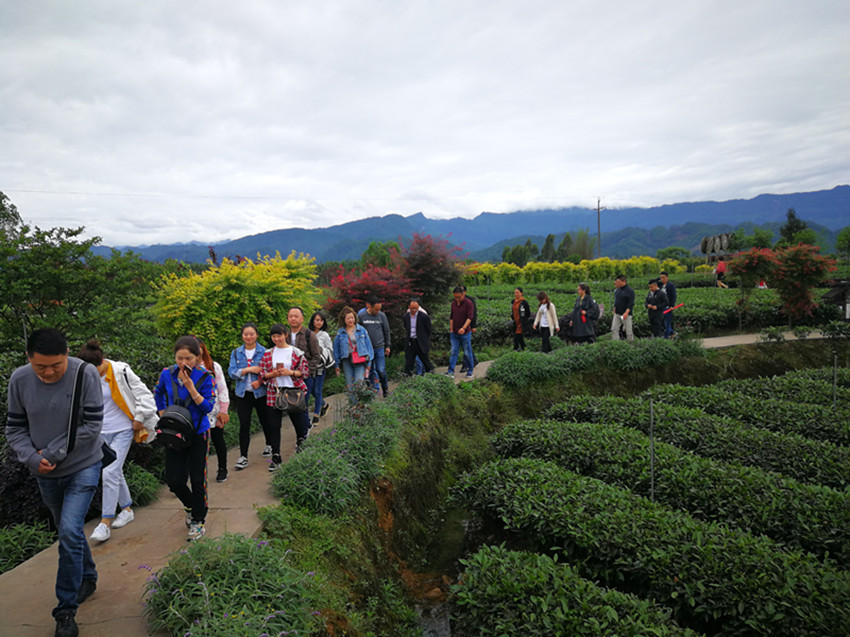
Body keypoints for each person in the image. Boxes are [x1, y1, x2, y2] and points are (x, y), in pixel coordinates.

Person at [6, 328, 104, 637]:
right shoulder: (19, 380)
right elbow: (15, 428)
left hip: (83, 465)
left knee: (69, 530)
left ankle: (65, 611)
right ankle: (87, 576)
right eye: (40, 366)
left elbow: (92, 425)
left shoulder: (84, 374)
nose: (48, 372)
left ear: (67, 355)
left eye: (56, 365)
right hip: (45, 473)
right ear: (29, 359)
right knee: (68, 530)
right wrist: (32, 458)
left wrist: (50, 453)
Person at [76, 339, 157, 543]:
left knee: (109, 472)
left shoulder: (121, 371)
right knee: (115, 471)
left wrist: (140, 417)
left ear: (103, 361)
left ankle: (105, 522)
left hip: (123, 429)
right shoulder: (85, 376)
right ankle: (127, 509)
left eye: (96, 370)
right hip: (100, 433)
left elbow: (145, 395)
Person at [154, 336, 215, 541]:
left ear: (197, 357)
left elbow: (207, 407)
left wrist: (190, 387)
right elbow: (158, 392)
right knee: (174, 480)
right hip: (175, 433)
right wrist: (162, 411)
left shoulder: (205, 377)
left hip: (198, 433)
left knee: (198, 479)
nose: (183, 363)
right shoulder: (167, 374)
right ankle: (190, 505)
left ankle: (198, 519)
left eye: (188, 358)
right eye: (179, 358)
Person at [259, 323, 310, 465]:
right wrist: (272, 374)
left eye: (279, 336)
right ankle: (276, 455)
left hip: (293, 391)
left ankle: (302, 446)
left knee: (299, 423)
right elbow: (262, 374)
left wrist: (290, 372)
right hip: (274, 392)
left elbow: (304, 372)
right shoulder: (268, 353)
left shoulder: (296, 352)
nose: (276, 339)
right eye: (274, 336)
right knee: (274, 425)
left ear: (286, 335)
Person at [228, 322, 273, 471]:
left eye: (251, 334)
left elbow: (269, 371)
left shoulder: (264, 352)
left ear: (256, 335)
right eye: (246, 334)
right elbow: (231, 372)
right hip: (242, 394)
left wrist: (259, 381)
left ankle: (269, 444)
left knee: (265, 420)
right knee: (244, 424)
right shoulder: (236, 353)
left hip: (260, 393)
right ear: (242, 336)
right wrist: (247, 370)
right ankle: (243, 456)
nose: (249, 337)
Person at [197, 337, 230, 483]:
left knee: (218, 440)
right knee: (197, 444)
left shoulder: (213, 366)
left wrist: (223, 410)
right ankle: (196, 472)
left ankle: (222, 468)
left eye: (198, 347)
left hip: (213, 411)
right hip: (195, 413)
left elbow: (222, 388)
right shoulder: (185, 368)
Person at [333, 306, 375, 399]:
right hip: (347, 361)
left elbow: (369, 346)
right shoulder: (340, 333)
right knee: (350, 386)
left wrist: (369, 362)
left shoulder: (362, 330)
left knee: (358, 384)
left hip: (360, 360)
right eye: (348, 318)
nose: (350, 320)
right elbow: (336, 349)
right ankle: (353, 405)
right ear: (344, 319)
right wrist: (336, 364)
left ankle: (359, 404)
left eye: (352, 317)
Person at [287, 307, 321, 412]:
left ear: (302, 318)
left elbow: (316, 356)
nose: (293, 319)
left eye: (296, 316)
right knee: (291, 406)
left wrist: (306, 372)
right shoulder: (285, 335)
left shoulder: (309, 335)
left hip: (304, 377)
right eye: (290, 316)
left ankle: (305, 423)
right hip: (289, 376)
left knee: (302, 406)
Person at [358, 295, 391, 397]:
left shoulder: (382, 316)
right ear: (369, 306)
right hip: (367, 349)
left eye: (379, 309)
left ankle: (385, 388)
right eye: (376, 309)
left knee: (381, 370)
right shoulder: (362, 316)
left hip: (379, 347)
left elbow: (386, 331)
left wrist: (388, 345)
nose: (377, 311)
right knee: (370, 371)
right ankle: (373, 391)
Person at [308, 311, 334, 424]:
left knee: (317, 390)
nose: (319, 322)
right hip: (310, 366)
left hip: (320, 366)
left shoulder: (324, 335)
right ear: (313, 321)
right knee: (311, 390)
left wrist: (321, 352)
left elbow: (330, 349)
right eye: (317, 320)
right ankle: (324, 405)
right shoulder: (308, 333)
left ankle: (316, 415)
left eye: (321, 320)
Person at [447, 285, 476, 378]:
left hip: (465, 333)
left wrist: (463, 328)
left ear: (463, 294)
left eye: (459, 297)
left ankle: (470, 370)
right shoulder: (453, 304)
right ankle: (450, 371)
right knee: (453, 351)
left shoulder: (469, 303)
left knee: (467, 352)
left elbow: (470, 317)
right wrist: (451, 329)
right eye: (455, 297)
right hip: (454, 333)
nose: (457, 299)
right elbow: (452, 317)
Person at [403, 297, 434, 375]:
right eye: (412, 308)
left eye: (415, 308)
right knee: (409, 362)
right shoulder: (406, 317)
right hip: (411, 342)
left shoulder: (424, 316)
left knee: (425, 361)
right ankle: (408, 376)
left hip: (420, 342)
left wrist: (424, 339)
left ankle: (431, 374)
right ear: (408, 307)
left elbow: (429, 329)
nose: (414, 310)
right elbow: (406, 327)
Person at [459, 285, 478, 373]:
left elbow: (473, 314)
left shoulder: (470, 300)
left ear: (465, 292)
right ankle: (473, 359)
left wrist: (474, 326)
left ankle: (466, 364)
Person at [611, 274, 635, 341]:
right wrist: (614, 309)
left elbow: (631, 303)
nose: (617, 283)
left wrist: (626, 312)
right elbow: (616, 301)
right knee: (614, 329)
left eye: (618, 282)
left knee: (628, 330)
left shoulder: (630, 291)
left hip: (626, 314)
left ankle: (630, 343)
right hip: (617, 313)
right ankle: (616, 343)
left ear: (623, 281)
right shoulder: (617, 290)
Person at [658, 271, 677, 339]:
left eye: (663, 277)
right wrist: (658, 279)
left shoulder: (670, 285)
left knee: (667, 323)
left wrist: (672, 306)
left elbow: (673, 296)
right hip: (661, 307)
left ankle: (666, 338)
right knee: (662, 322)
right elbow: (653, 281)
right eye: (661, 278)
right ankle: (672, 333)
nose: (662, 279)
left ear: (667, 278)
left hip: (668, 307)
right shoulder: (660, 285)